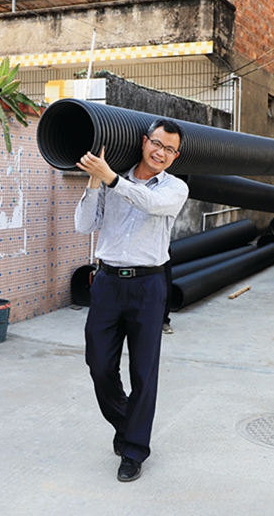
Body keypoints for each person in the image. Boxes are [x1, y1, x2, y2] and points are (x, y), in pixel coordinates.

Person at [74, 119, 189, 483]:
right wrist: (95, 182)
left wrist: (110, 178)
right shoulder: (112, 179)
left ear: (176, 155)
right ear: (144, 142)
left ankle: (134, 450)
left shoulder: (175, 188)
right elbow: (83, 225)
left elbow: (151, 204)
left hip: (149, 286)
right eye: (157, 143)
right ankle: (126, 424)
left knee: (143, 371)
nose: (161, 153)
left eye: (170, 149)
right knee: (99, 365)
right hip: (107, 282)